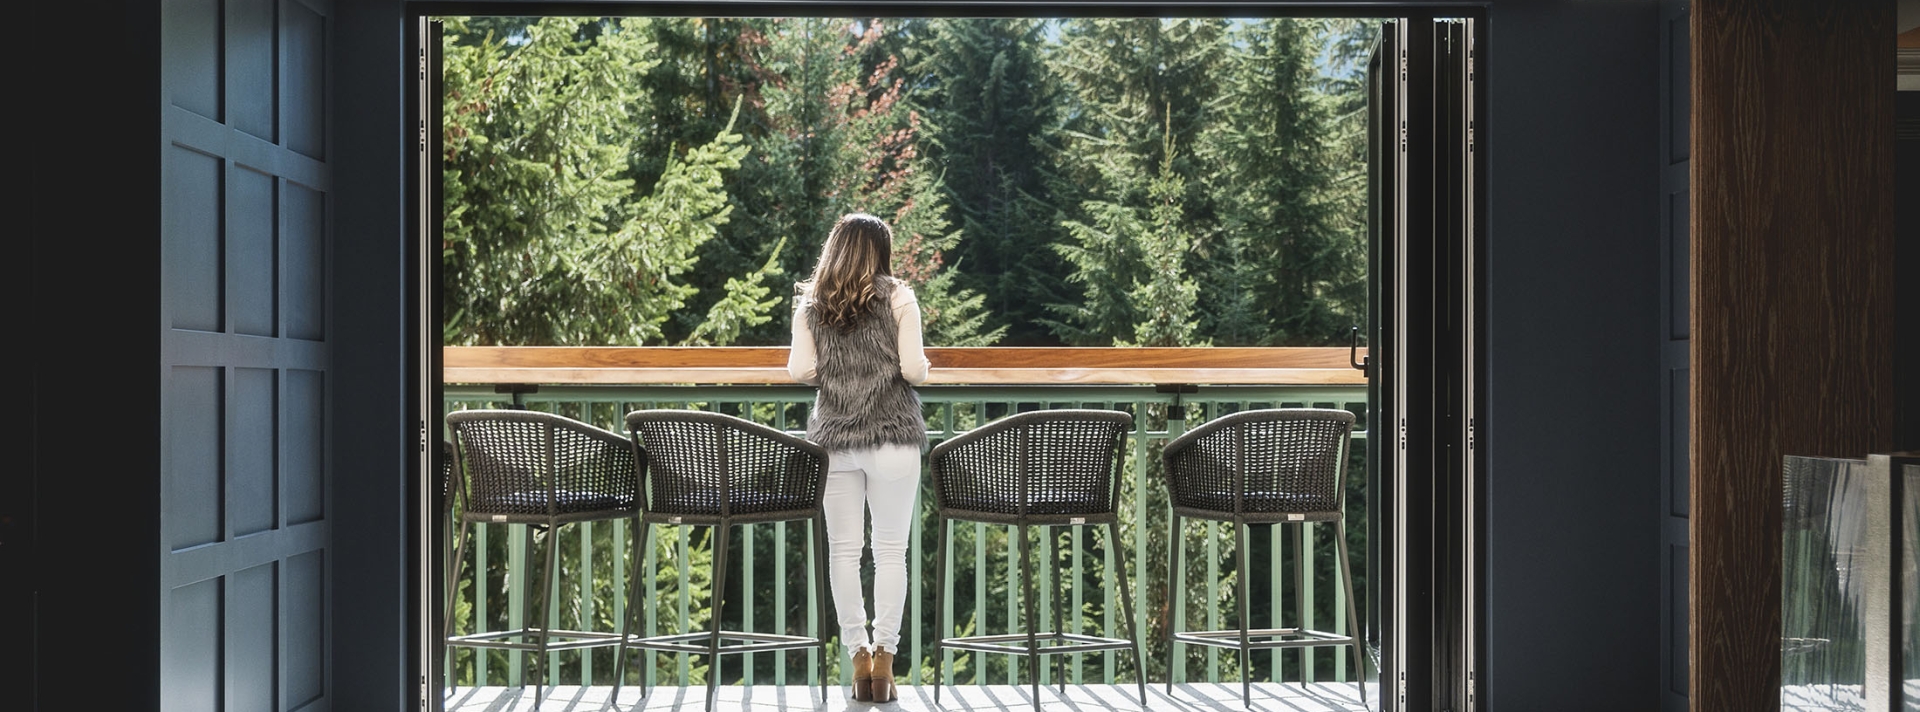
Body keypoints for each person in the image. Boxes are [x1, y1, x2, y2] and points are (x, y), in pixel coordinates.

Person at [787, 212, 931, 704]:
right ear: (881, 251)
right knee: (891, 552)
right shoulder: (898, 296)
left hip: (835, 438)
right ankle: (886, 661)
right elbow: (913, 368)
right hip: (892, 435)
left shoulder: (812, 303)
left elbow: (799, 369)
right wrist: (923, 366)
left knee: (843, 553)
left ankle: (858, 659)